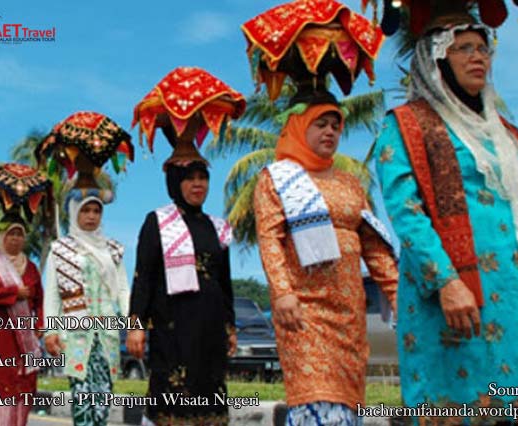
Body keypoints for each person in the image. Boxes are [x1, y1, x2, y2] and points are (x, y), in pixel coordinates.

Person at [374, 15, 518, 425]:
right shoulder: (407, 125)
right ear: (437, 60)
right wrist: (447, 282)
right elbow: (405, 211)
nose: (478, 58)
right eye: (464, 48)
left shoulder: (502, 132)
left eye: (483, 48)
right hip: (454, 294)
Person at [253, 96, 399, 425]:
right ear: (300, 128)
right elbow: (270, 238)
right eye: (320, 124)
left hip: (349, 311)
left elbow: (373, 246)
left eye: (336, 126)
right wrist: (282, 291)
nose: (330, 132)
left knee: (346, 401)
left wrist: (396, 292)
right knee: (316, 396)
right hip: (304, 308)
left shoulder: (350, 183)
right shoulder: (276, 178)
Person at [127, 157, 237, 426]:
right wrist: (136, 324)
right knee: (170, 395)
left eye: (203, 178)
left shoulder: (217, 227)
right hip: (172, 327)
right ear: (176, 183)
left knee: (209, 390)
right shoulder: (158, 222)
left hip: (209, 327)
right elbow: (144, 277)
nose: (198, 184)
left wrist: (230, 326)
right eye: (190, 178)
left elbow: (224, 281)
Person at [43, 191, 129, 426]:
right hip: (75, 336)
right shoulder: (60, 249)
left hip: (107, 335)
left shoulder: (111, 250)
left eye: (96, 211)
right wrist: (50, 332)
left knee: (102, 400)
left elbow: (122, 289)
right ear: (74, 212)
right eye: (85, 210)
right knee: (82, 399)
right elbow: (52, 293)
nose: (91, 216)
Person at [0, 218, 43, 426]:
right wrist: (13, 293)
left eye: (19, 234)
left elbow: (39, 300)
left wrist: (39, 326)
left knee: (21, 391)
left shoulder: (30, 268)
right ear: (3, 238)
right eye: (11, 234)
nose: (15, 238)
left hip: (22, 341)